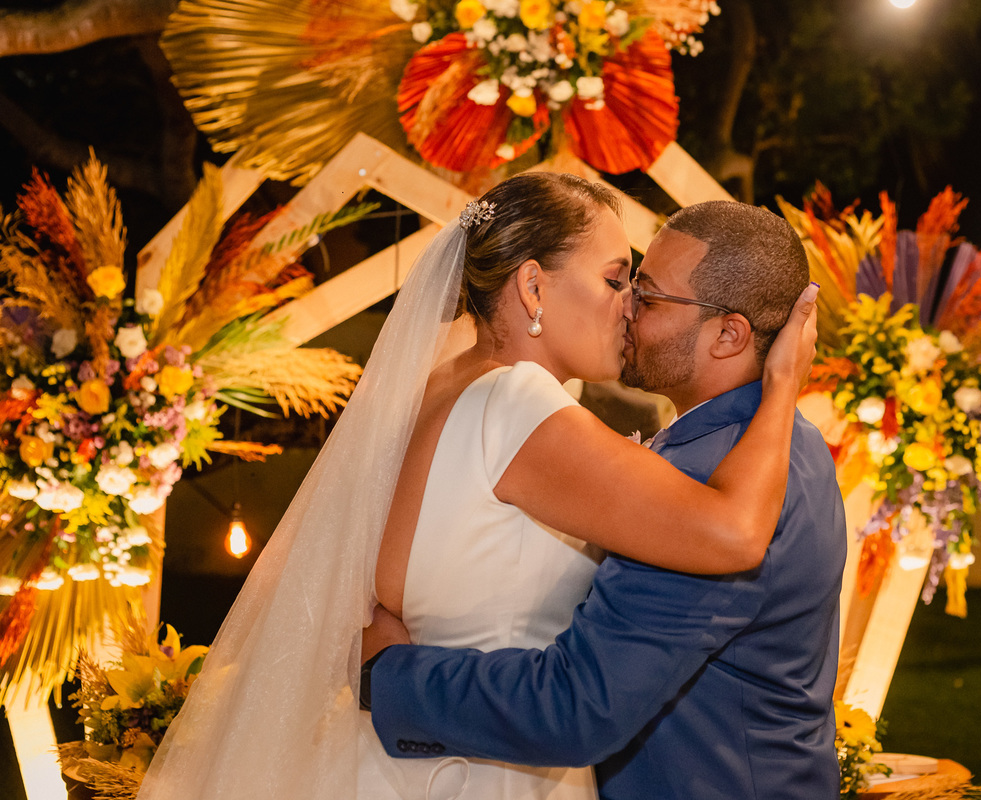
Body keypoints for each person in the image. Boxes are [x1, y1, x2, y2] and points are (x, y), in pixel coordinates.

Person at [136, 175, 819, 800]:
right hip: (495, 771)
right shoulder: (518, 405)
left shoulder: (434, 389)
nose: (628, 309)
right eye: (617, 280)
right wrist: (782, 386)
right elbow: (731, 531)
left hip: (398, 762)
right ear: (533, 288)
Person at [361, 200, 847, 800]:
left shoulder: (713, 476)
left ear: (728, 335)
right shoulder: (789, 445)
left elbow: (580, 709)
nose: (628, 309)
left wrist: (385, 676)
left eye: (647, 295)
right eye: (622, 283)